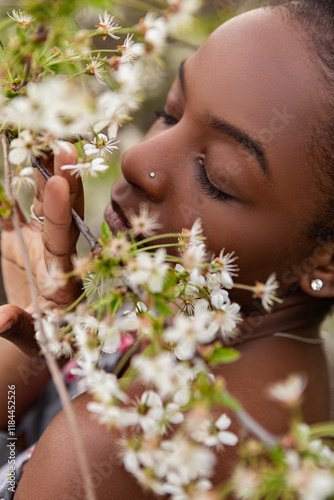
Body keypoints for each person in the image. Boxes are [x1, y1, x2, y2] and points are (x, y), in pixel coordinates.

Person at [0, 0, 333, 497]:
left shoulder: (110, 449)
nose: (137, 158)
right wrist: (40, 340)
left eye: (216, 178)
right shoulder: (187, 331)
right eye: (169, 112)